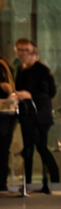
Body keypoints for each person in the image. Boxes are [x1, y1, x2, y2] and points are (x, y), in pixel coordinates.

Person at [11, 38, 59, 194]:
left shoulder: (42, 70)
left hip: (40, 115)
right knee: (28, 149)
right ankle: (28, 183)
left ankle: (55, 180)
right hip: (27, 115)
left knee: (41, 147)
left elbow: (50, 93)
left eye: (26, 51)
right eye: (20, 51)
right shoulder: (21, 70)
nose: (23, 54)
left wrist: (29, 95)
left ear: (33, 54)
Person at [0, 57, 17, 195]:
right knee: (3, 149)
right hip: (7, 115)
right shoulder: (5, 64)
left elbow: (7, 88)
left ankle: (1, 183)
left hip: (3, 115)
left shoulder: (1, 66)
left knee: (2, 149)